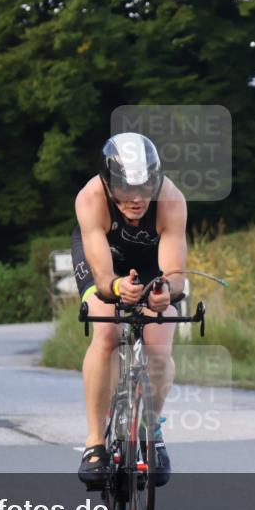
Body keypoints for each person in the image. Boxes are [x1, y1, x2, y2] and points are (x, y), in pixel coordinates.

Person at [72, 132, 188, 489]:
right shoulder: (91, 198)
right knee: (106, 333)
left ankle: (150, 429)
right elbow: (105, 277)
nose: (137, 199)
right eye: (125, 190)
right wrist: (116, 287)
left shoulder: (170, 199)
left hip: (154, 264)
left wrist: (164, 293)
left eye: (145, 188)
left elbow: (176, 277)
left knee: (158, 347)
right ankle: (95, 443)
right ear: (108, 184)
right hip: (105, 259)